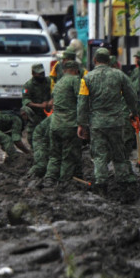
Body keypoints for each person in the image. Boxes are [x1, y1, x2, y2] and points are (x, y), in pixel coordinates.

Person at [77, 47, 139, 193]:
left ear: (94, 60)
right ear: (110, 60)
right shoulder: (120, 75)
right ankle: (124, 189)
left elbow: (82, 103)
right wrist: (134, 113)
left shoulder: (86, 78)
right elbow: (132, 96)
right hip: (117, 122)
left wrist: (81, 124)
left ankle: (101, 188)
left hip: (97, 124)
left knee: (99, 156)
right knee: (119, 155)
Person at [44, 60, 83, 188]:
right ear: (76, 70)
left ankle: (49, 179)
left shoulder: (58, 83)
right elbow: (81, 100)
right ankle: (64, 183)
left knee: (55, 156)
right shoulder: (75, 80)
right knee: (68, 155)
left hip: (55, 124)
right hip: (69, 124)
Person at [22, 63, 52, 148]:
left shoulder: (49, 81)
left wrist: (50, 102)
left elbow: (56, 92)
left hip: (49, 113)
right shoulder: (28, 85)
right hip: (35, 114)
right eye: (39, 73)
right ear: (33, 73)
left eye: (43, 73)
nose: (42, 75)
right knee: (32, 136)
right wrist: (39, 105)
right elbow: (26, 101)